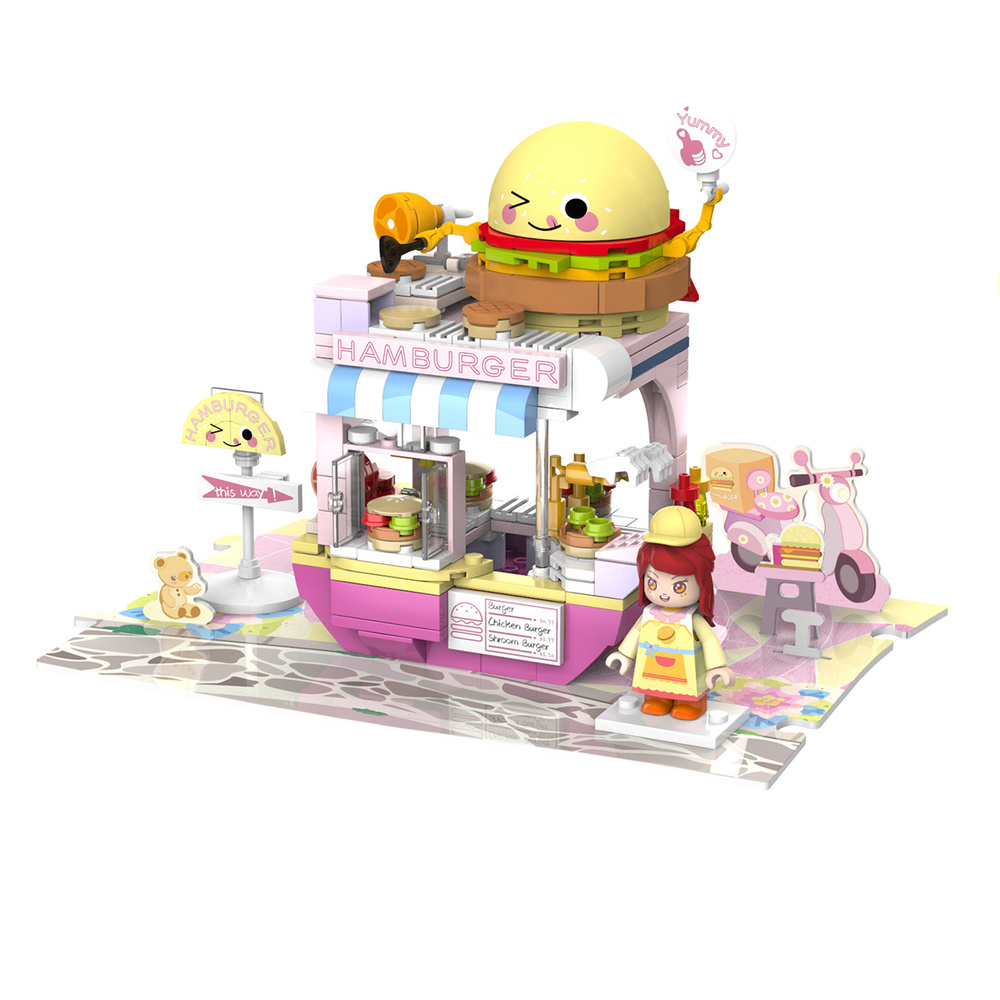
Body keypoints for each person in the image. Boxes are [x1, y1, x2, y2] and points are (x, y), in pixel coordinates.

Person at [605, 506, 733, 720]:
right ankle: (658, 700)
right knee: (654, 690)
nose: (663, 594)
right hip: (654, 670)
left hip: (687, 674)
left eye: (678, 586)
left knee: (688, 692)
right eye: (652, 583)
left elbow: (709, 641)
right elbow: (636, 633)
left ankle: (691, 704)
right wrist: (624, 654)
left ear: (702, 582)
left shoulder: (693, 619)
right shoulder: (649, 614)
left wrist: (716, 667)